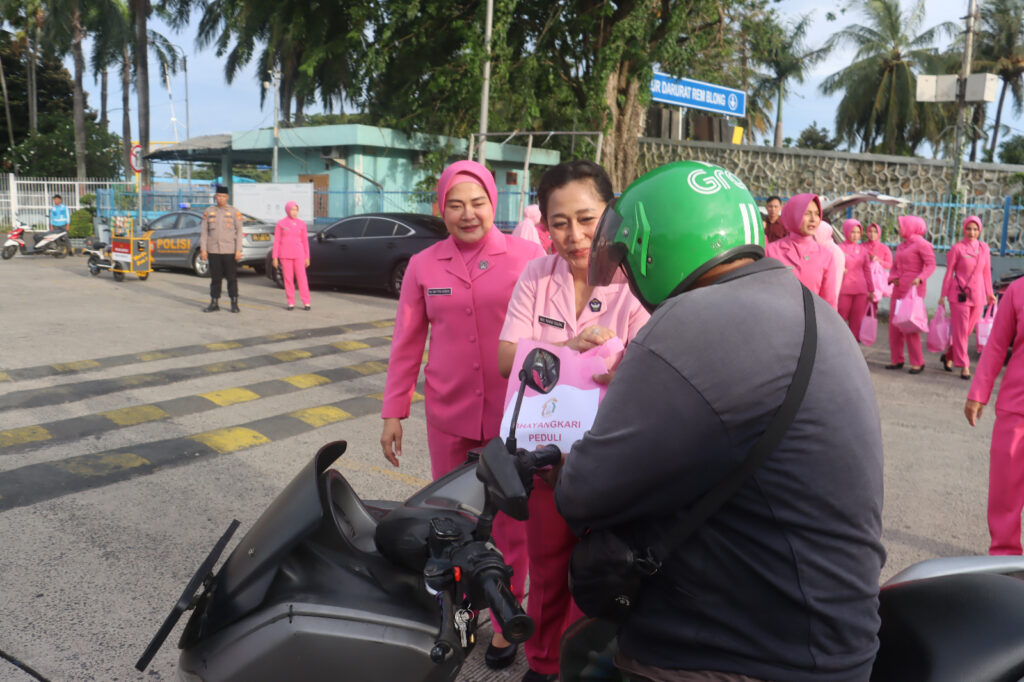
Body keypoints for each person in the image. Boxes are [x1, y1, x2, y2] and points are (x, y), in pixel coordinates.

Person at [554, 160, 885, 681]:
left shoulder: (691, 321)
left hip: (741, 656)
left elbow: (582, 492)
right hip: (826, 638)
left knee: (585, 661)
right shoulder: (809, 308)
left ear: (653, 248)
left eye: (628, 263)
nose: (631, 280)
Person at [379, 159, 544, 666]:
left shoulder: (527, 256)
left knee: (510, 524)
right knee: (453, 523)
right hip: (448, 412)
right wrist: (394, 411)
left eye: (478, 203)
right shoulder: (424, 265)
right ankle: (463, 614)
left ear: (494, 204)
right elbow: (407, 341)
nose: (467, 213)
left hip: (512, 417)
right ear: (441, 208)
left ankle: (507, 621)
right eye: (455, 204)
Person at [497, 160, 650, 682]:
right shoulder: (538, 275)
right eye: (559, 223)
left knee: (598, 572)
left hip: (609, 463)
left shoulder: (636, 281)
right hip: (544, 459)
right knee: (546, 571)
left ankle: (578, 667)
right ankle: (541, 663)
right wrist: (568, 348)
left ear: (611, 213)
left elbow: (653, 363)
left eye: (587, 219)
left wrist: (623, 365)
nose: (575, 236)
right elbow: (506, 358)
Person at [966, 275, 1024, 554]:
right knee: (1006, 486)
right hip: (1017, 405)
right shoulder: (1018, 290)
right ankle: (1004, 554)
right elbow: (997, 344)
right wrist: (978, 392)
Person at [939, 215, 995, 379]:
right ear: (964, 229)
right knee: (961, 331)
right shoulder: (957, 249)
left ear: (980, 231)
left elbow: (986, 273)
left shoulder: (984, 248)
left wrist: (990, 293)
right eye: (969, 229)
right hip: (959, 295)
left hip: (978, 296)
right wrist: (943, 294)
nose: (972, 232)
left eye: (975, 229)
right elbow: (949, 273)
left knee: (966, 331)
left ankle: (949, 356)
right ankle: (965, 365)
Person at [764, 193, 839, 308]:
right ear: (793, 215)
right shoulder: (771, 252)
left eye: (817, 214)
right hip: (777, 316)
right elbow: (763, 293)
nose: (813, 219)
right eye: (807, 214)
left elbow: (829, 302)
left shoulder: (825, 256)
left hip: (812, 318)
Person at [887, 215, 936, 373]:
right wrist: (892, 278)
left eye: (901, 226)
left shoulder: (922, 244)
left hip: (913, 290)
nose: (899, 229)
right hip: (898, 289)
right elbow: (895, 266)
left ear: (910, 227)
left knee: (910, 325)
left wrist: (920, 278)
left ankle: (917, 362)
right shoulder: (902, 246)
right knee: (895, 325)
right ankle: (896, 359)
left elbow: (931, 265)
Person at [200, 185, 244, 313]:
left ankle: (234, 303)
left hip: (229, 250)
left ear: (227, 197)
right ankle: (214, 303)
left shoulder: (234, 212)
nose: (221, 198)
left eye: (223, 196)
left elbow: (239, 231)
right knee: (215, 278)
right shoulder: (209, 211)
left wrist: (238, 250)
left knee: (231, 278)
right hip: (213, 250)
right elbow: (204, 232)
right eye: (219, 196)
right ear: (215, 196)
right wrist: (203, 250)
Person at [838, 218, 874, 341]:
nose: (855, 235)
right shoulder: (839, 249)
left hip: (861, 290)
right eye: (852, 232)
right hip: (844, 289)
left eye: (858, 232)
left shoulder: (863, 250)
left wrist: (871, 289)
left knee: (857, 321)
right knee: (840, 318)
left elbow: (867, 270)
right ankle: (839, 343)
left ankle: (854, 347)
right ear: (846, 231)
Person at [272, 201, 311, 311]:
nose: (294, 212)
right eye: (292, 210)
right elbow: (276, 241)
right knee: (288, 279)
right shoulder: (281, 223)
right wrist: (275, 257)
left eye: (296, 210)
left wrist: (307, 257)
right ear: (287, 210)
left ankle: (306, 301)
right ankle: (290, 302)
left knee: (302, 278)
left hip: (299, 255)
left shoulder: (302, 224)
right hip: (285, 255)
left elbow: (305, 241)